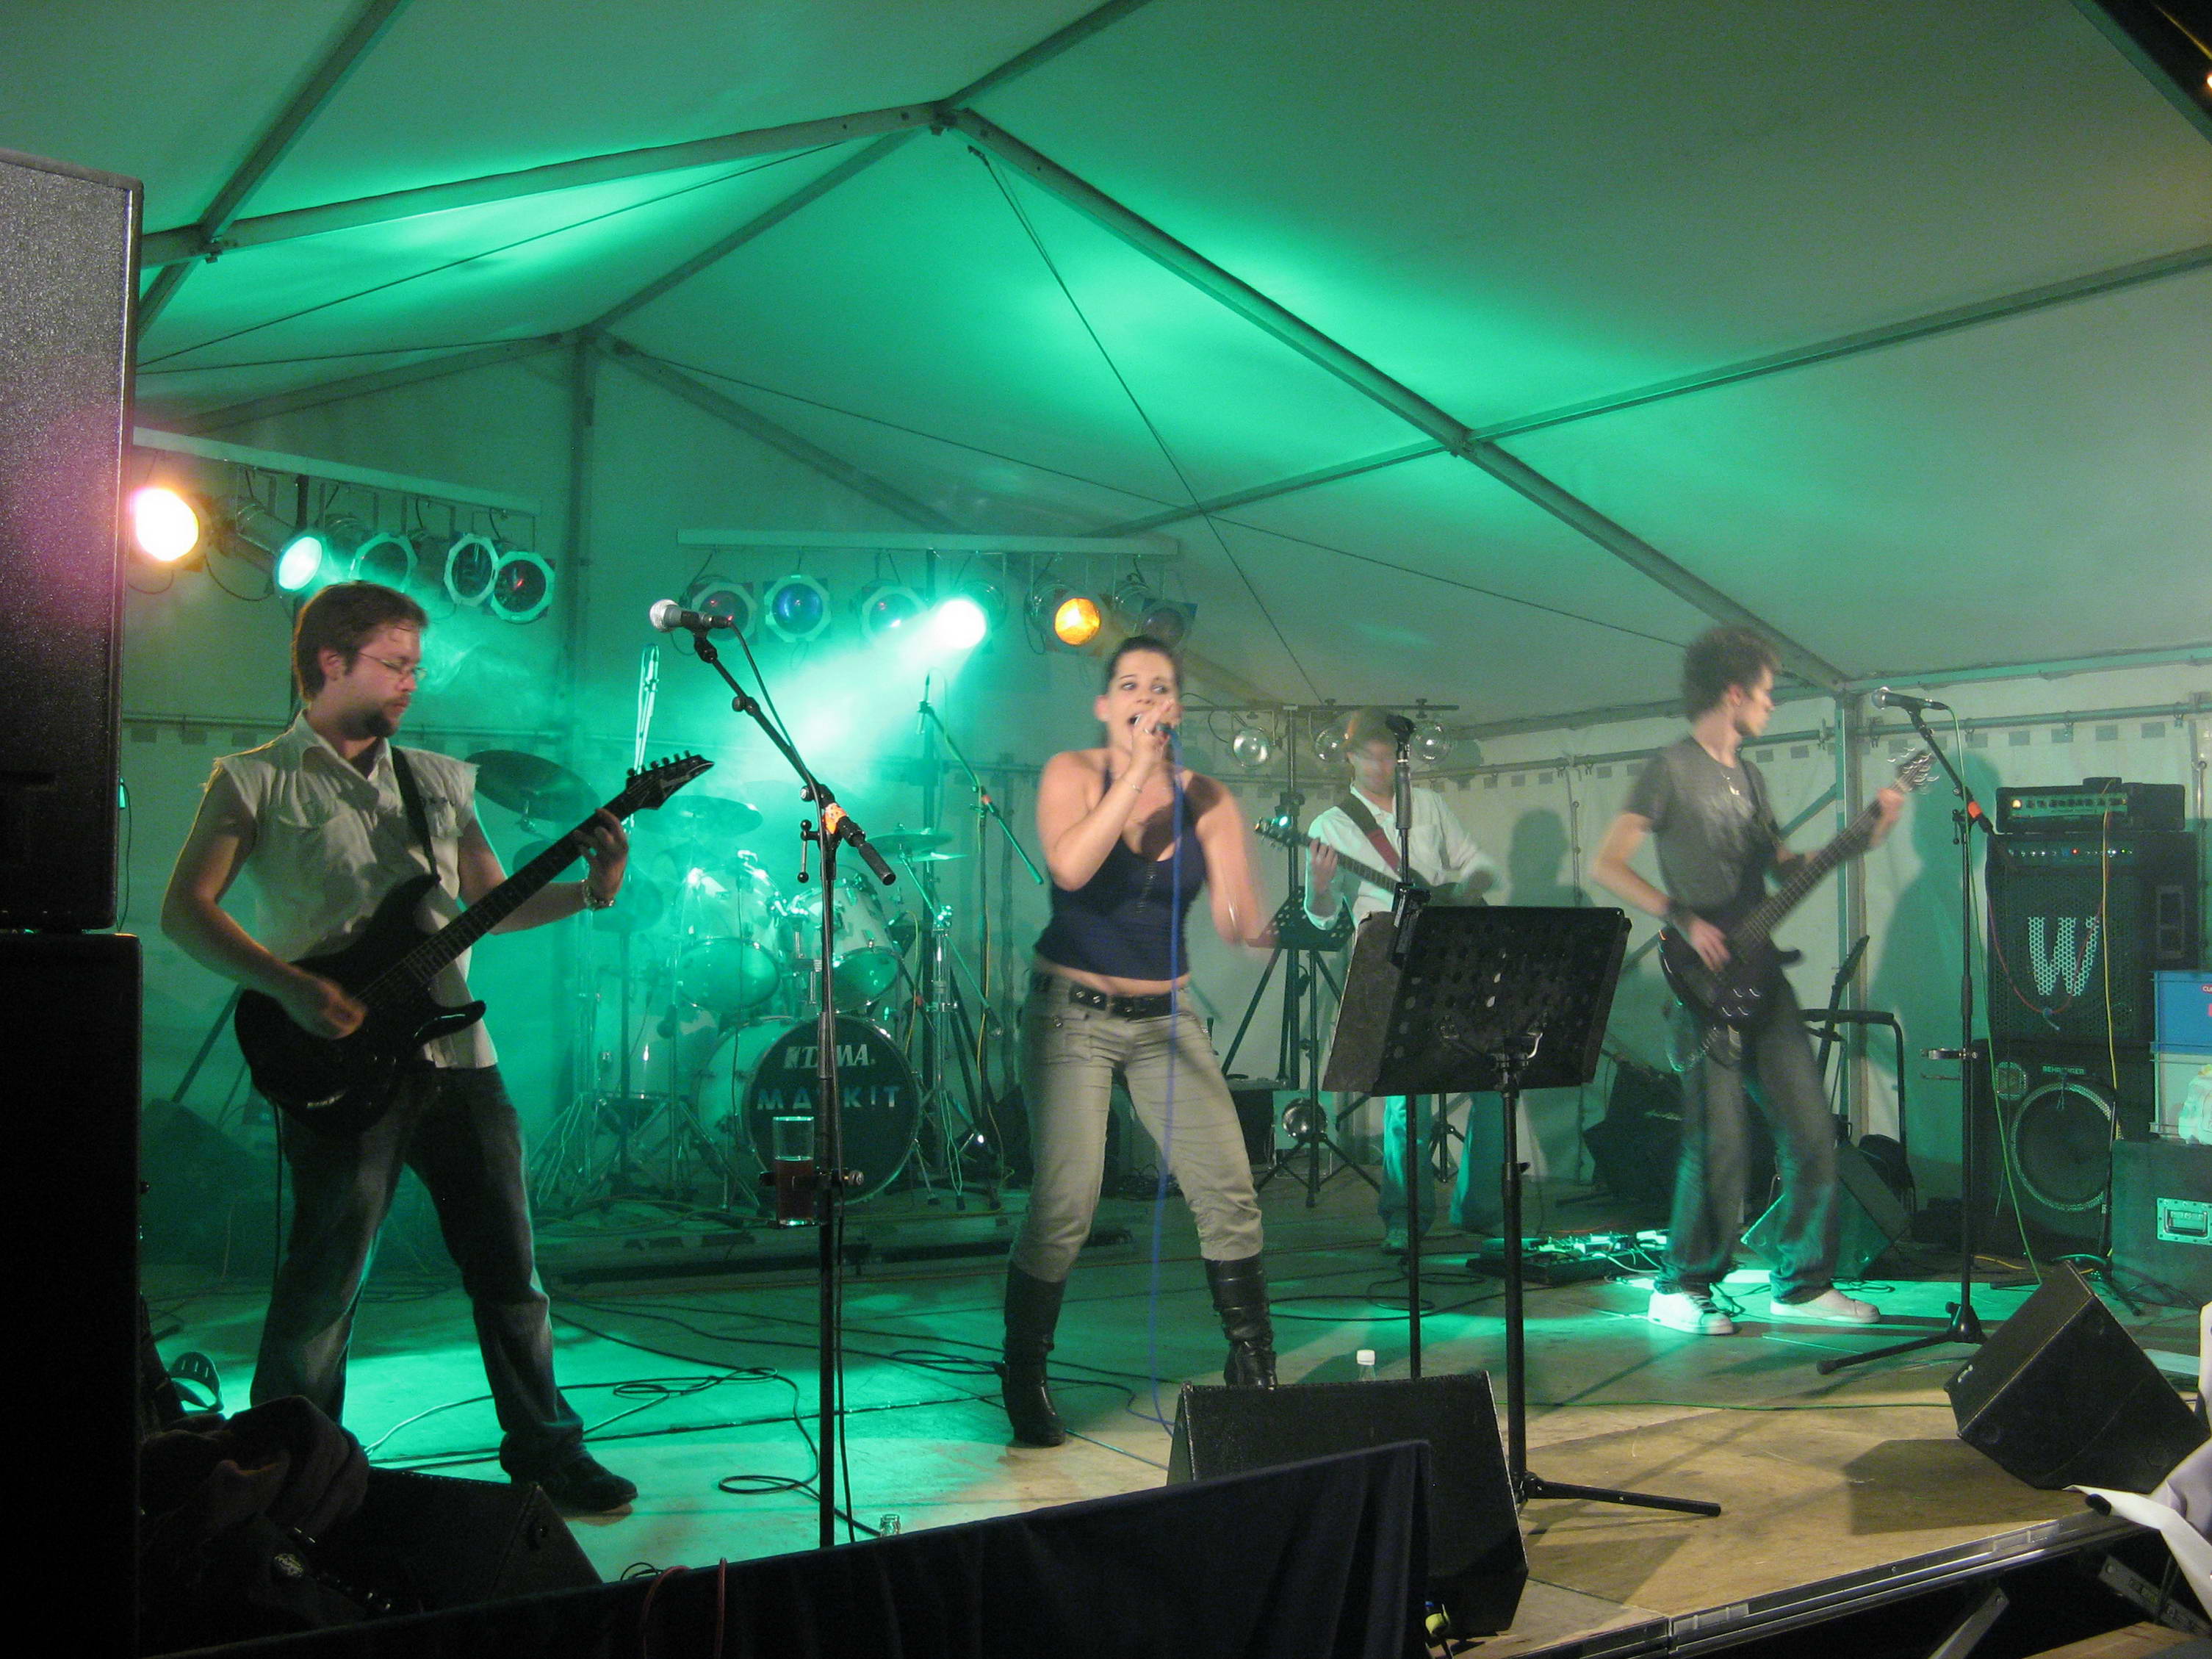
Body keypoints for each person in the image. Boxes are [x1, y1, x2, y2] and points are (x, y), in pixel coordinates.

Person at [162, 581, 636, 1511]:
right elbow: (187, 910)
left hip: (460, 1058)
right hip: (335, 1063)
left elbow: (492, 906)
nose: (412, 681)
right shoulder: (254, 779)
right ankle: (295, 1468)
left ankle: (547, 1448)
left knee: (511, 1270)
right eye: (394, 663)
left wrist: (595, 886)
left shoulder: (440, 780)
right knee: (326, 1280)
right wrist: (290, 985)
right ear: (330, 661)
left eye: (417, 665)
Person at [1003, 634, 1277, 1447]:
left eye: (1160, 687)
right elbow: (1071, 868)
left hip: (1166, 1021)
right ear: (1104, 704)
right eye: (1129, 684)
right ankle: (1023, 1369)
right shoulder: (1071, 772)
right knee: (1065, 1204)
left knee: (1228, 1191)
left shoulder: (1208, 798)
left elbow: (1237, 920)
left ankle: (1253, 1363)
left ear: (1177, 707)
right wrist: (1134, 777)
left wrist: (1300, 913)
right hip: (1071, 1013)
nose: (1147, 697)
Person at [1590, 626, 1903, 1335]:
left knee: (1812, 1131)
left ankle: (1801, 1284)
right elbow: (1607, 863)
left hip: (1760, 976)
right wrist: (1680, 917)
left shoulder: (1751, 778)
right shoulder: (1670, 768)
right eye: (1765, 693)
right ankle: (1679, 1286)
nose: (1771, 706)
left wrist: (1864, 834)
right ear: (1732, 693)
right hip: (1700, 981)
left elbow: (1784, 868)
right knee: (1720, 1143)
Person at [1303, 708, 1501, 1256]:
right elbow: (1321, 918)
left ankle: (1480, 1208)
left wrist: (1461, 894)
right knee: (1405, 1093)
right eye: (1369, 755)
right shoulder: (1330, 825)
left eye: (1389, 754)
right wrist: (1320, 886)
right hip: (1385, 958)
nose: (1380, 765)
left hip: (1449, 950)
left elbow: (1478, 862)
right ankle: (1405, 1217)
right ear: (1349, 757)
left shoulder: (1428, 805)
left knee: (1491, 1081)